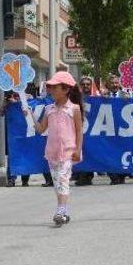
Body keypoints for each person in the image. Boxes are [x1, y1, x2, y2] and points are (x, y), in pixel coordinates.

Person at [27, 71, 83, 226]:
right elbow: (40, 129)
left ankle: (60, 209)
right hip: (51, 152)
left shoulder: (74, 108)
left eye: (54, 87)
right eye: (50, 87)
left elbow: (79, 130)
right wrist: (30, 116)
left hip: (68, 152)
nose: (51, 90)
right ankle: (63, 211)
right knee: (57, 182)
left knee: (63, 180)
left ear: (65, 89)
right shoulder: (49, 109)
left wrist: (78, 149)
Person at [75, 77, 95, 186]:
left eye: (88, 84)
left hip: (93, 133)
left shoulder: (97, 98)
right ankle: (82, 176)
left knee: (90, 153)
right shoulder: (74, 99)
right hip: (80, 131)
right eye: (83, 84)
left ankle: (88, 176)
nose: (86, 86)